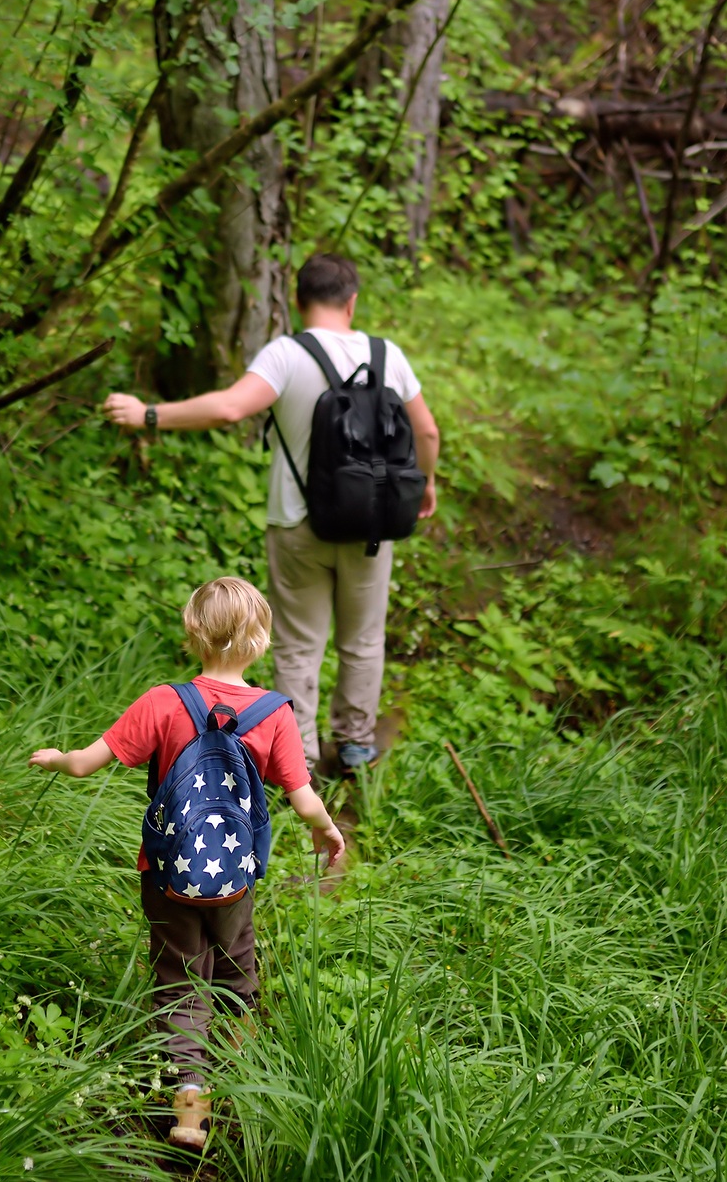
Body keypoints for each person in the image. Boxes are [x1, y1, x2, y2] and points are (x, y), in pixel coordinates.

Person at [28, 576, 346, 1150]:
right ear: (263, 640)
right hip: (235, 879)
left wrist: (55, 759)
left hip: (167, 876)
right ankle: (241, 1081)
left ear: (193, 631)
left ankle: (189, 1110)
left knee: (178, 983)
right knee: (237, 973)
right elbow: (303, 799)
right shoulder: (274, 715)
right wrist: (327, 833)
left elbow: (85, 764)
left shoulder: (163, 702)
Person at [102, 252, 440, 773]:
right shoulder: (387, 354)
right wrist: (427, 484)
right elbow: (428, 431)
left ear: (297, 300)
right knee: (364, 639)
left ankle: (297, 759)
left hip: (298, 522)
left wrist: (148, 414)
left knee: (300, 645)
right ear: (352, 302)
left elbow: (230, 408)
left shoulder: (286, 353)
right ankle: (354, 744)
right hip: (372, 524)